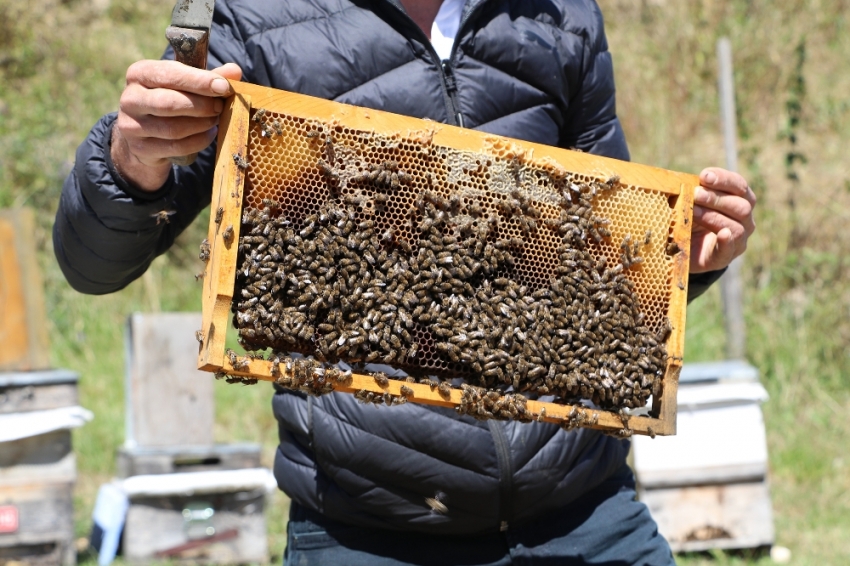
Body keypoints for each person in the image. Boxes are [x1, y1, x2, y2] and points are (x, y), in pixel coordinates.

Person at [55, 0, 756, 563]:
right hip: (369, 530)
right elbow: (96, 264)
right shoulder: (246, 16)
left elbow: (605, 256)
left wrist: (680, 259)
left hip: (584, 515)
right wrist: (130, 163)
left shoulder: (557, 13)